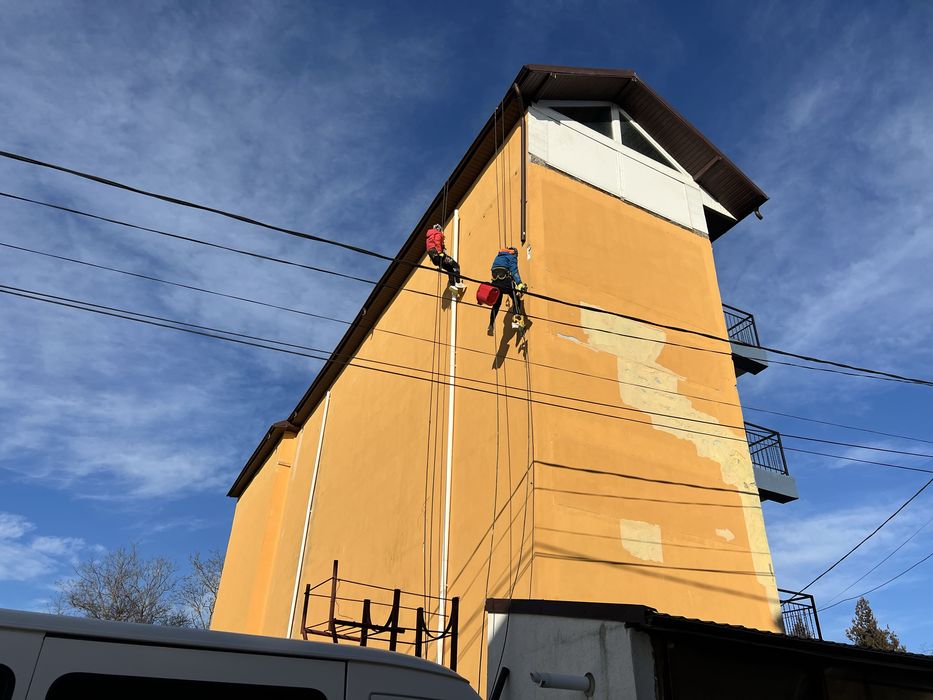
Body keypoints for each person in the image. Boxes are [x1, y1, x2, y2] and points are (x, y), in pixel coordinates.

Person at [487, 246, 527, 334]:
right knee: (516, 299)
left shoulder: (499, 256)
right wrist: (519, 283)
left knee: (496, 305)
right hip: (504, 280)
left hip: (495, 281)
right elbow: (514, 270)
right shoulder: (512, 256)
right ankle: (517, 320)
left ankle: (491, 324)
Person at [425, 224, 466, 293]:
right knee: (455, 265)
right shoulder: (437, 233)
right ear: (439, 229)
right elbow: (437, 242)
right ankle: (458, 282)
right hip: (439, 255)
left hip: (434, 258)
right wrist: (440, 253)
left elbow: (430, 249)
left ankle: (453, 285)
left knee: (449, 269)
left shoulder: (429, 237)